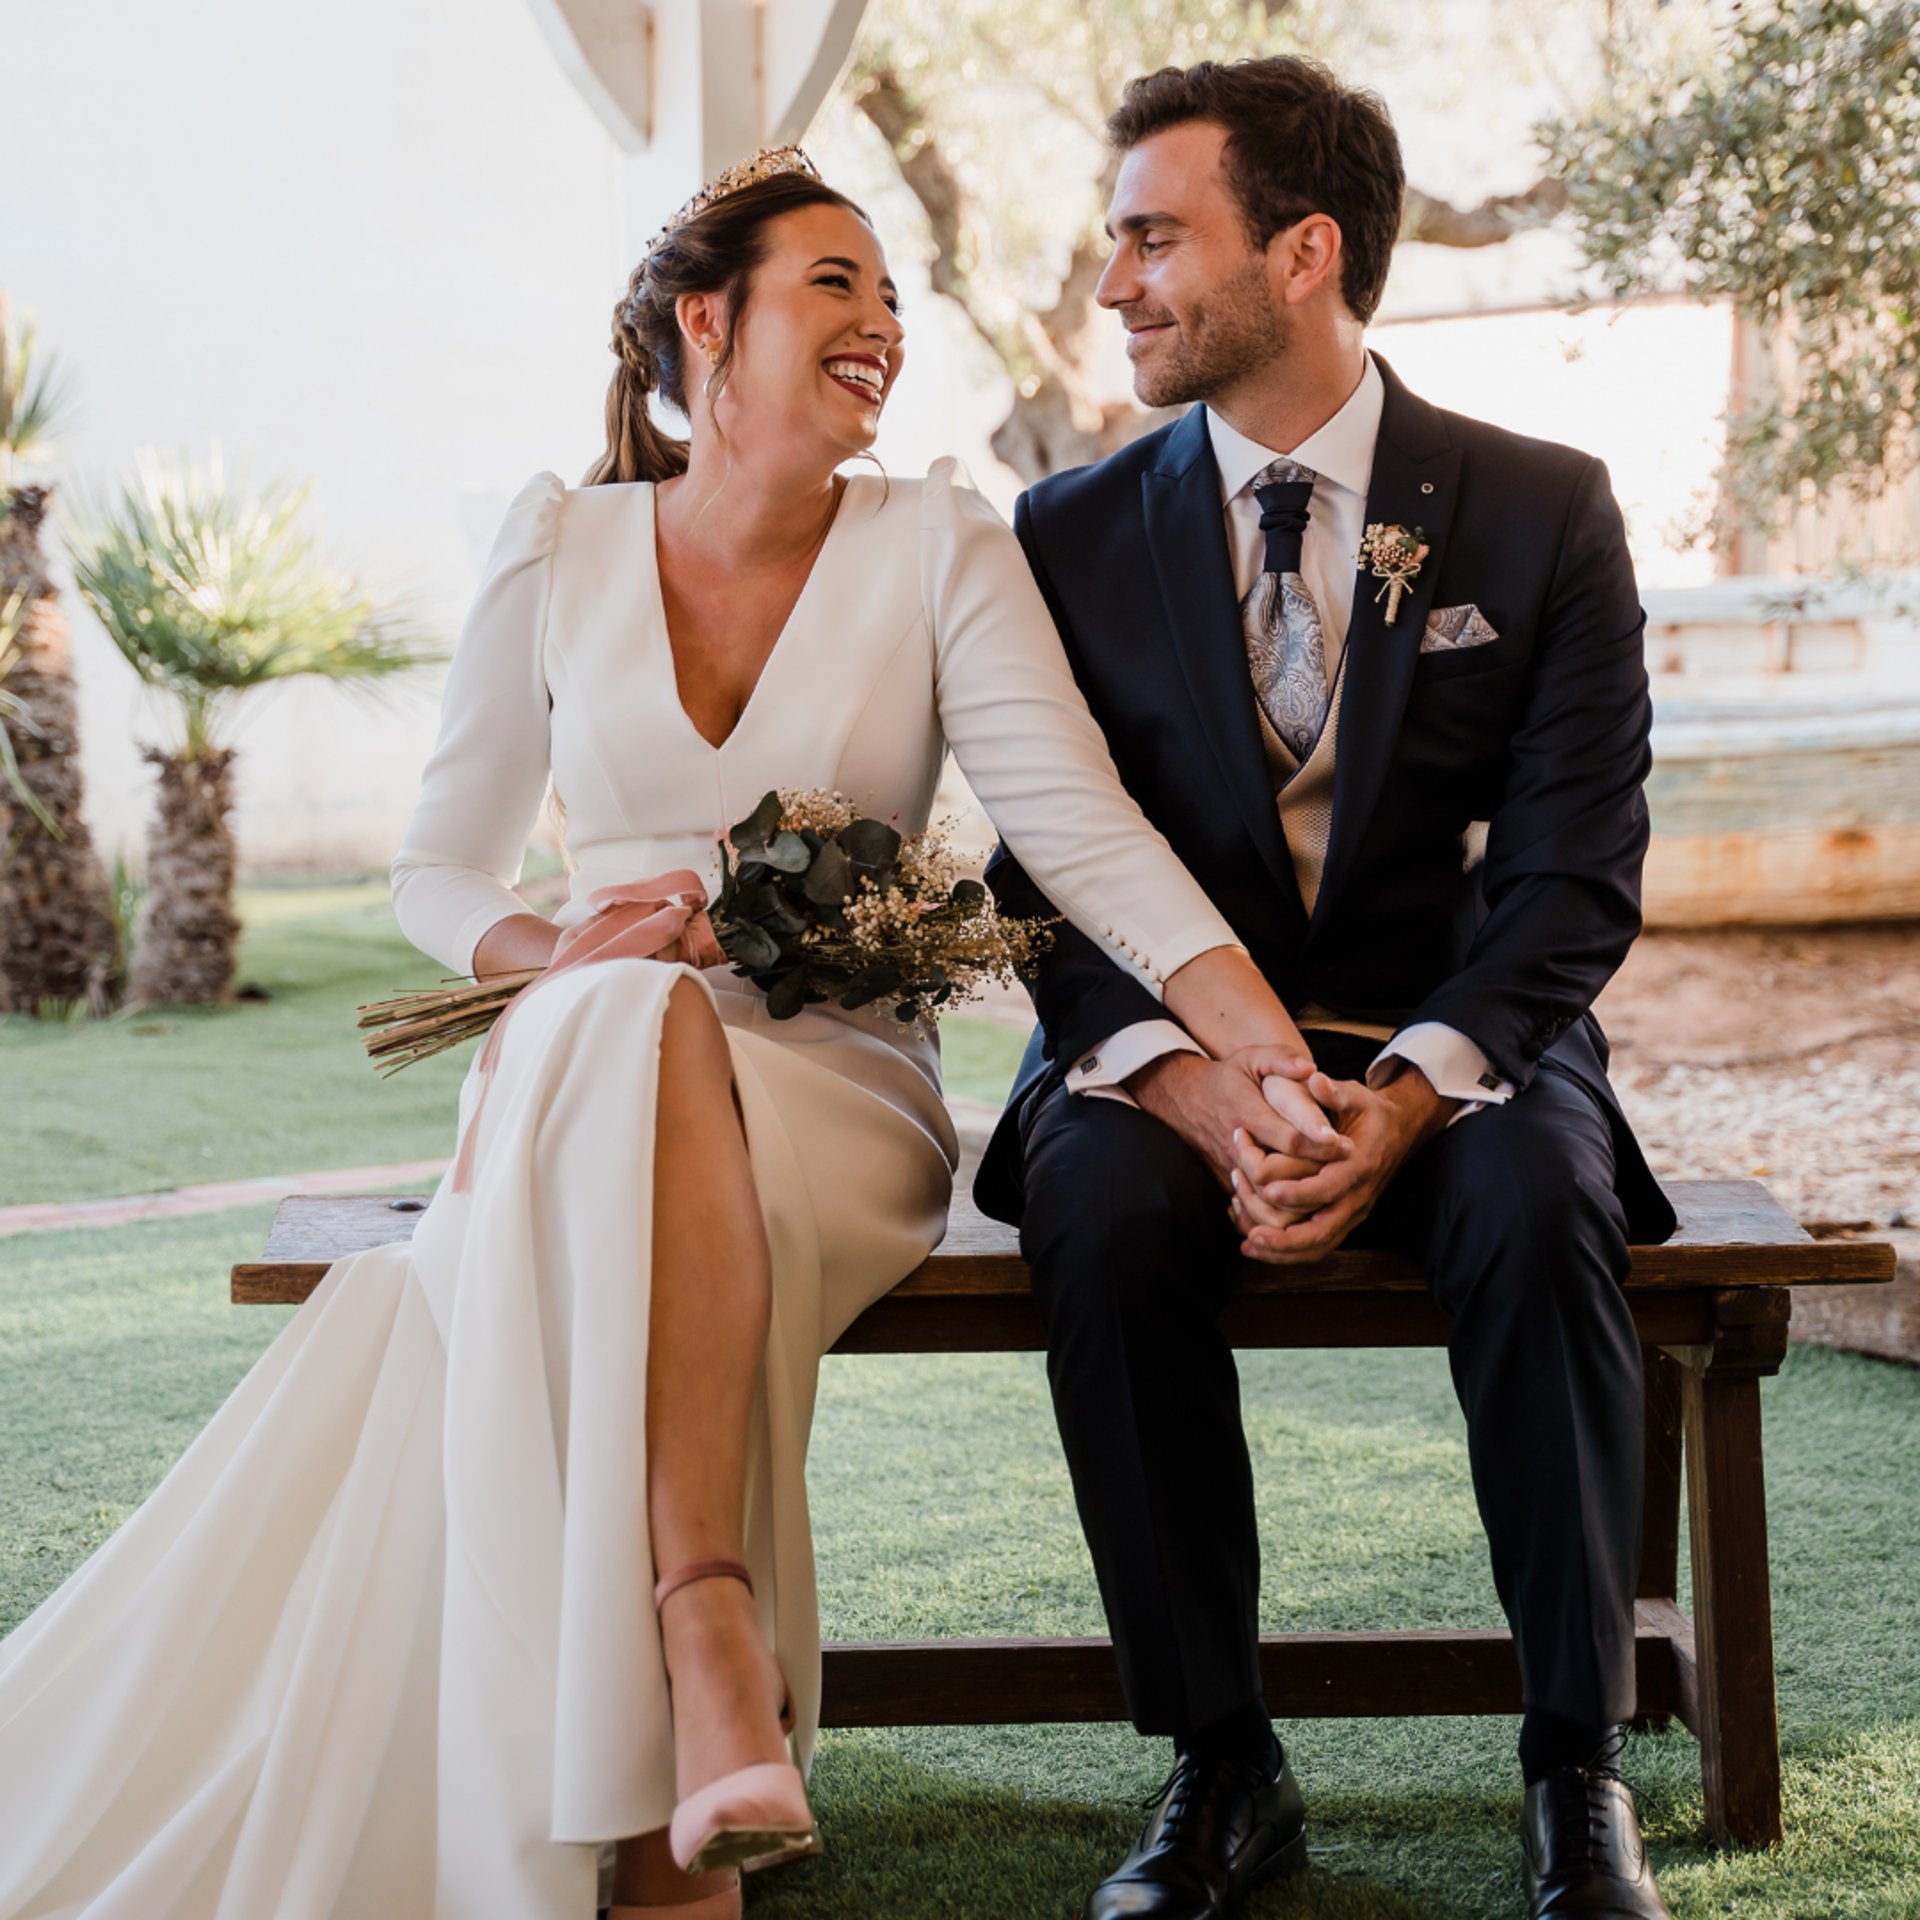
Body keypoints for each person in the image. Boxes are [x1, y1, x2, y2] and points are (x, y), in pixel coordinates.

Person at [0, 150, 1338, 1920]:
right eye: (836, 287)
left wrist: (1264, 1055)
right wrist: (553, 943)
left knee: (631, 1074)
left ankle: (695, 1661)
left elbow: (1084, 840)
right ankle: (693, 1708)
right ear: (706, 323)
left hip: (830, 1090)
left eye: (892, 302)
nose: (883, 327)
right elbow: (434, 870)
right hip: (575, 1063)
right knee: (617, 1029)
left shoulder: (937, 543)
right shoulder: (558, 543)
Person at [974, 57, 1680, 1920]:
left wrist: (1414, 1094)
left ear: (1302, 251)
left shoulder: (1540, 511)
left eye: (1151, 238)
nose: (1113, 283)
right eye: (1112, 241)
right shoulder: (1056, 535)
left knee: (1540, 1204)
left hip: (1456, 1044)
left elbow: (1572, 871)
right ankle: (1220, 1766)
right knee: (1100, 1214)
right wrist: (1186, 1083)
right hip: (1159, 1068)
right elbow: (1031, 879)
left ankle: (1572, 1769)